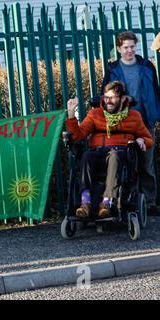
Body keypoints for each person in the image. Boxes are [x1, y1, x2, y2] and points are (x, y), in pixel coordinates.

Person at [66, 81, 153, 218]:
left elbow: (149, 140)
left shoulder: (134, 116)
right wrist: (71, 115)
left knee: (114, 155)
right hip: (97, 152)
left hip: (120, 154)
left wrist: (141, 140)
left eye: (112, 98)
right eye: (106, 97)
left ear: (123, 98)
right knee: (86, 156)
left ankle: (106, 202)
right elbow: (78, 135)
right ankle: (86, 203)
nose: (108, 101)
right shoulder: (95, 114)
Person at [100, 31, 160, 216]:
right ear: (119, 49)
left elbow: (155, 91)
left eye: (132, 46)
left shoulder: (147, 65)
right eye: (125, 47)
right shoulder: (112, 70)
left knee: (146, 164)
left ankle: (149, 203)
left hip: (145, 120)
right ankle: (130, 201)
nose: (129, 51)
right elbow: (106, 96)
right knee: (127, 163)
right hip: (123, 123)